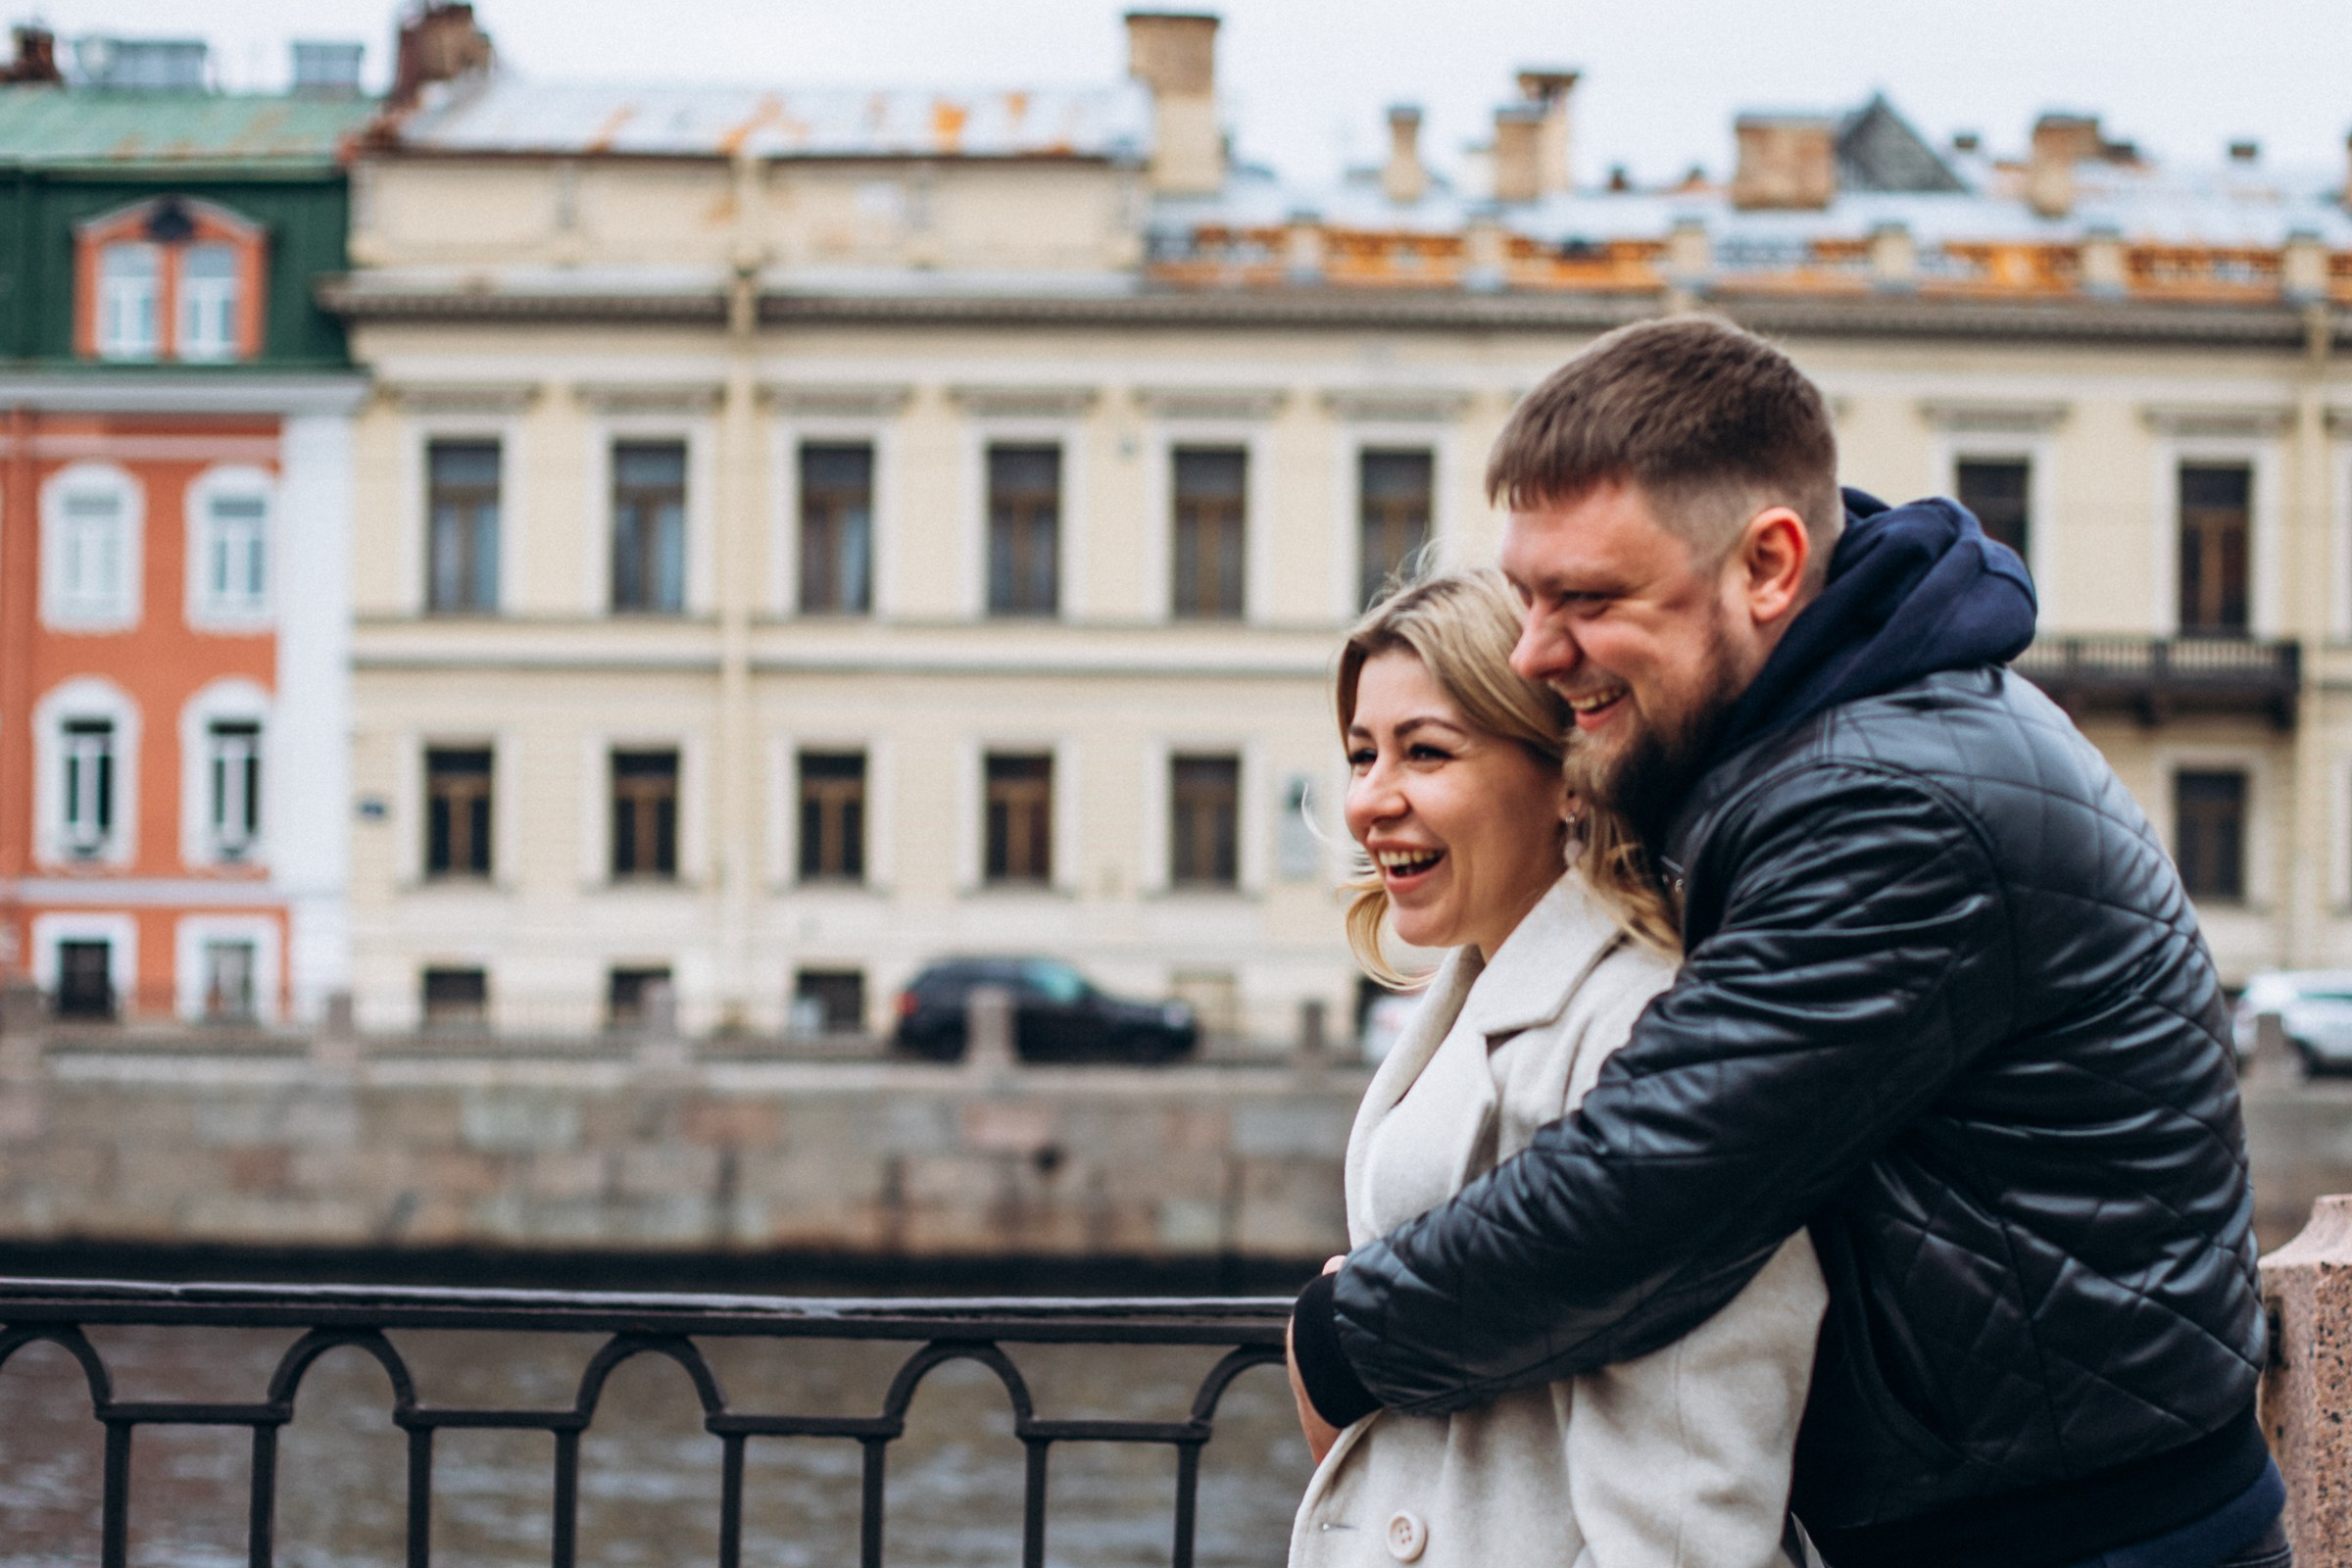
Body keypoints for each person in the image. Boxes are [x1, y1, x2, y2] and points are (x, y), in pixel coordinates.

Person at [1284, 318, 2282, 1568]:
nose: (1539, 653)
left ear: (1768, 565)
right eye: (1531, 599)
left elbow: (1652, 1189)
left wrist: (1342, 1336)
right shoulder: (1852, 738)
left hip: (2070, 1539)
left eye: (1587, 600)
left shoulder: (1884, 797)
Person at [1289, 567, 1826, 1568]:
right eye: (1362, 753)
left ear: (1567, 775)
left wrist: (1333, 1343)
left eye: (1425, 752)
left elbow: (1689, 1493)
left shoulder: (1641, 1022)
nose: (1369, 800)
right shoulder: (1478, 985)